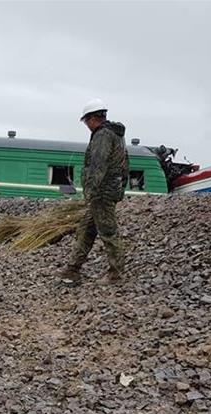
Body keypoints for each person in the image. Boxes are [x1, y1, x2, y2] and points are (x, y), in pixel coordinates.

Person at [60, 99, 128, 286]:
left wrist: (89, 192)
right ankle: (73, 269)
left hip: (101, 192)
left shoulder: (103, 135)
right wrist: (120, 188)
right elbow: (124, 165)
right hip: (107, 190)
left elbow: (98, 165)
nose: (87, 126)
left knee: (108, 232)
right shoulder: (117, 135)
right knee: (87, 229)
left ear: (92, 119)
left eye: (86, 122)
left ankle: (116, 275)